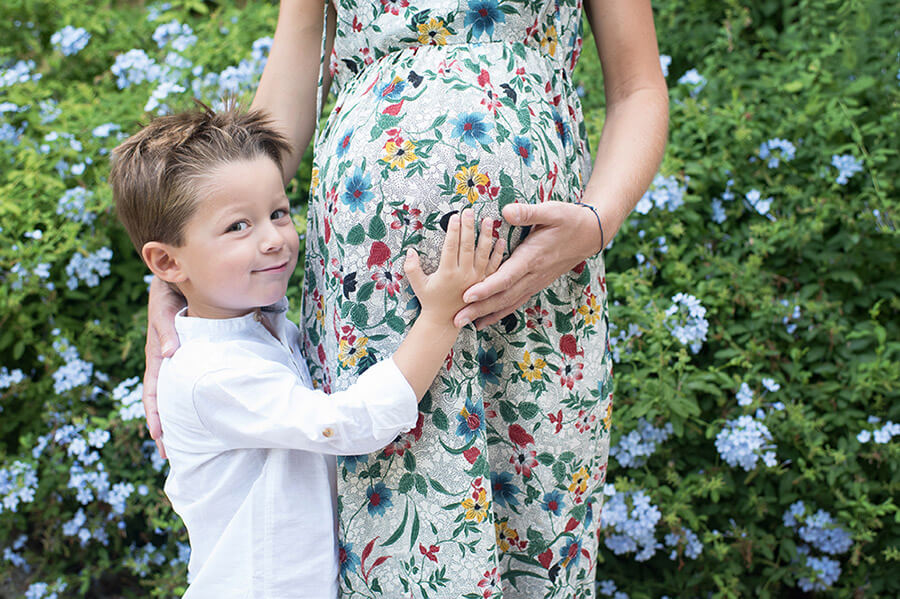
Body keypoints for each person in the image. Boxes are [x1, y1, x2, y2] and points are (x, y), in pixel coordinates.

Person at [142, 1, 668, 596]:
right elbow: (279, 113)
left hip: (539, 289)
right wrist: (184, 277)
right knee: (398, 533)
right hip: (370, 292)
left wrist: (596, 223)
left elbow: (638, 88)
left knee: (538, 530)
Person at [110, 104, 503, 597]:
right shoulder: (210, 373)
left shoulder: (265, 328)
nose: (275, 239)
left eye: (278, 213)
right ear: (167, 261)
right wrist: (440, 319)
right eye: (239, 226)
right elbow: (348, 424)